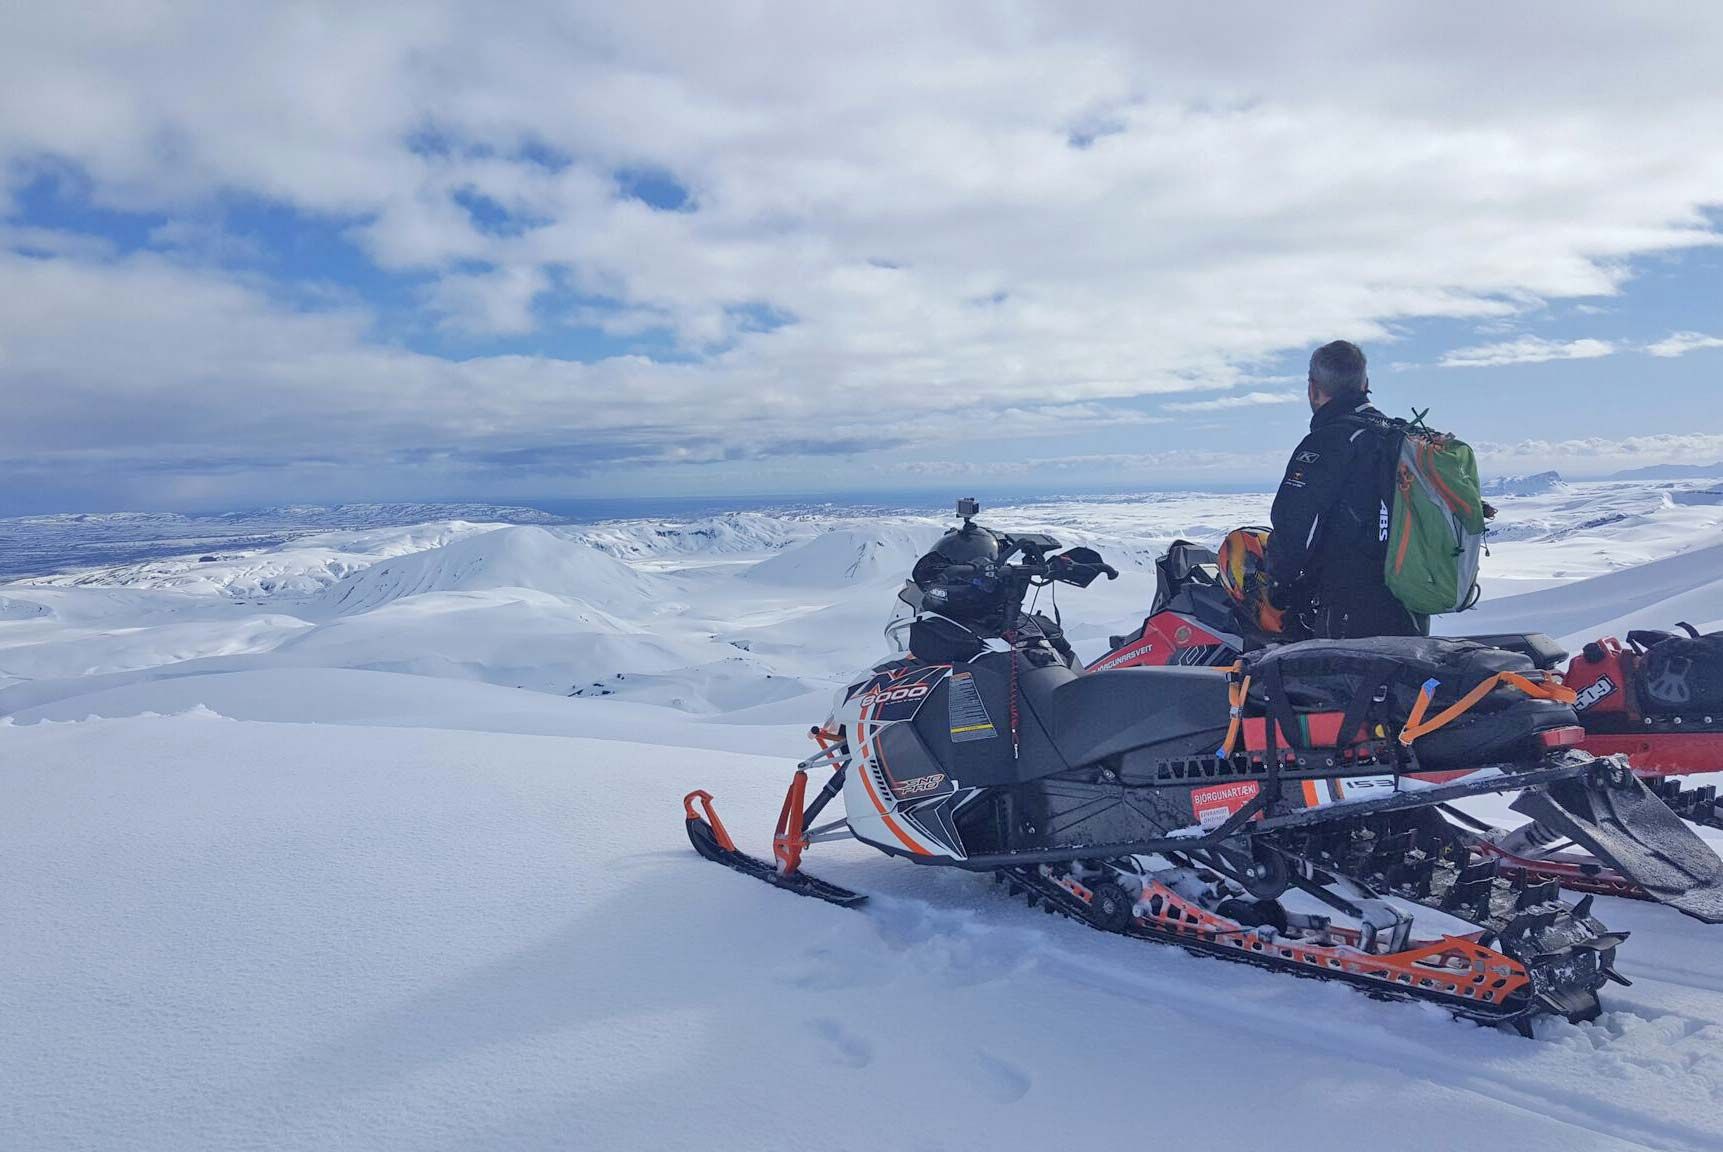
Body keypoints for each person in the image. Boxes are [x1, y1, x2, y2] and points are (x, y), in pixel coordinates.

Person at [1255, 340, 1429, 639]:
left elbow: (1295, 528)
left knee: (1337, 686)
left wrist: (1276, 590)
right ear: (1366, 384)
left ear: (1313, 388)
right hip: (1411, 606)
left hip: (1348, 611)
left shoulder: (1328, 443)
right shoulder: (1401, 438)